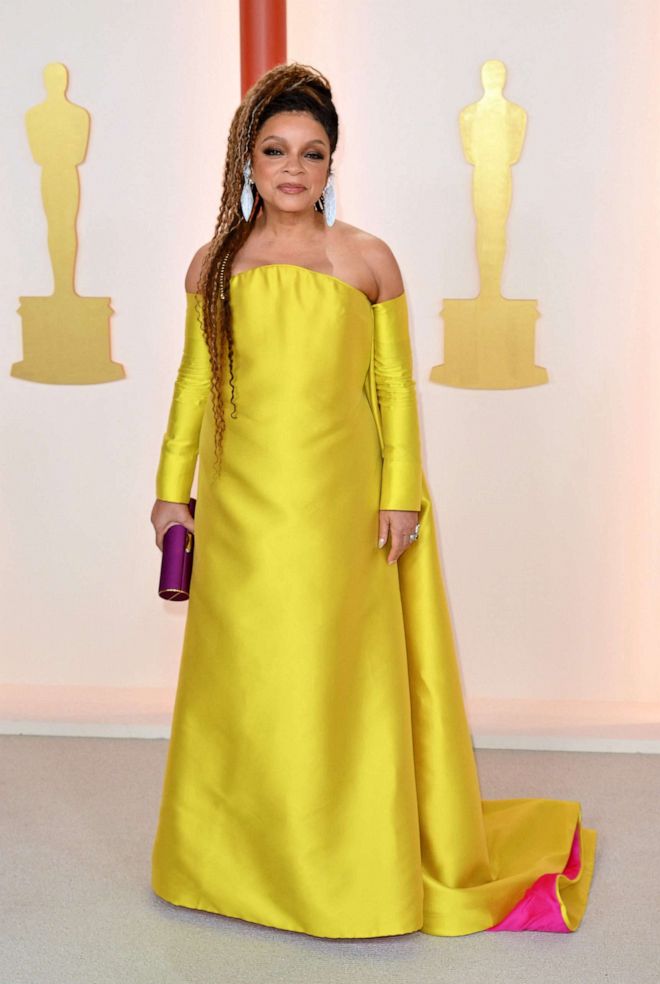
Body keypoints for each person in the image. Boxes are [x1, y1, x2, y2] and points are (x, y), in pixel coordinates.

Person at [150, 62, 597, 939]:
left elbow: (393, 385)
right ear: (247, 161)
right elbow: (194, 382)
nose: (291, 168)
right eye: (274, 150)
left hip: (340, 503)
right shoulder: (216, 262)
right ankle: (235, 862)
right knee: (246, 681)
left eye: (310, 154)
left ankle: (338, 858)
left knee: (329, 677)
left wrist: (400, 494)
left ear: (330, 166)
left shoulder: (365, 258)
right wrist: (172, 494)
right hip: (240, 504)